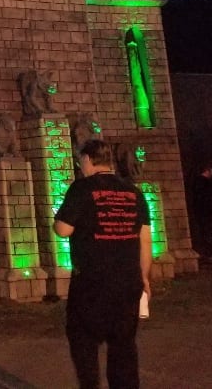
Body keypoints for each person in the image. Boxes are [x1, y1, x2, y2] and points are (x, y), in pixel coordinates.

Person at [54, 140, 152, 389]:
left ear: (87, 159)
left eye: (80, 161)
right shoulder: (133, 192)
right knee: (123, 346)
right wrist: (144, 277)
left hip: (91, 284)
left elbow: (63, 229)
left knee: (83, 341)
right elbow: (145, 239)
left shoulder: (82, 188)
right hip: (128, 282)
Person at [191, 164, 212, 262]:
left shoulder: (196, 183)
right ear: (208, 171)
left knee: (204, 233)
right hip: (210, 213)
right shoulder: (208, 184)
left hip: (200, 213)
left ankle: (207, 253)